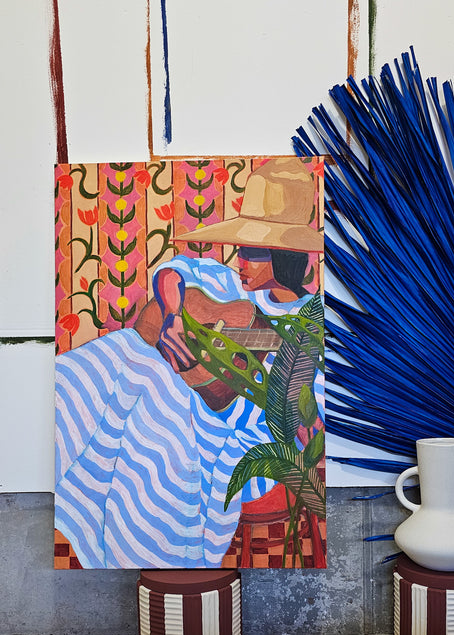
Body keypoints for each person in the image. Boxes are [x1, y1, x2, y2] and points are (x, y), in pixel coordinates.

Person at [55, 158, 323, 569]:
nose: (241, 260)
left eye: (253, 251)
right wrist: (174, 315)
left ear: (283, 256)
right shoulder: (227, 284)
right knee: (117, 358)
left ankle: (146, 542)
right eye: (240, 247)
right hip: (170, 388)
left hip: (245, 428)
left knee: (158, 386)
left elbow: (302, 417)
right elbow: (171, 274)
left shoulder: (310, 322)